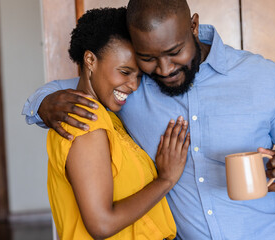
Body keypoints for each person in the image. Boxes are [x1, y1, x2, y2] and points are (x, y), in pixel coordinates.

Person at [22, 0, 275, 239]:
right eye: (148, 58)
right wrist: (44, 104)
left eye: (175, 51)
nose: (165, 68)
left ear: (193, 26)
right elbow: (74, 87)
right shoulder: (131, 88)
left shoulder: (262, 76)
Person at [45, 7, 190, 240]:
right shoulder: (84, 123)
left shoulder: (106, 116)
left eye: (139, 76)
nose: (133, 85)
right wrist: (166, 180)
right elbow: (101, 224)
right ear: (90, 60)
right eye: (124, 72)